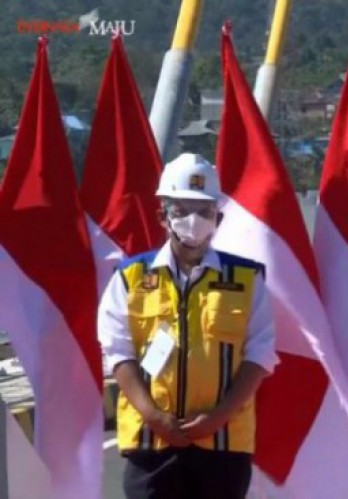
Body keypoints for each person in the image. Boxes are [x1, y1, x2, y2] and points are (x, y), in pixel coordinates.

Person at [98, 153, 278, 499]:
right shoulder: (130, 277)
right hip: (151, 443)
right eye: (181, 210)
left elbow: (260, 354)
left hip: (223, 445)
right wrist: (154, 416)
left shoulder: (246, 279)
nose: (193, 220)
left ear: (218, 218)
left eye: (204, 211)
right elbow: (117, 352)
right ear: (162, 215)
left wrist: (218, 417)